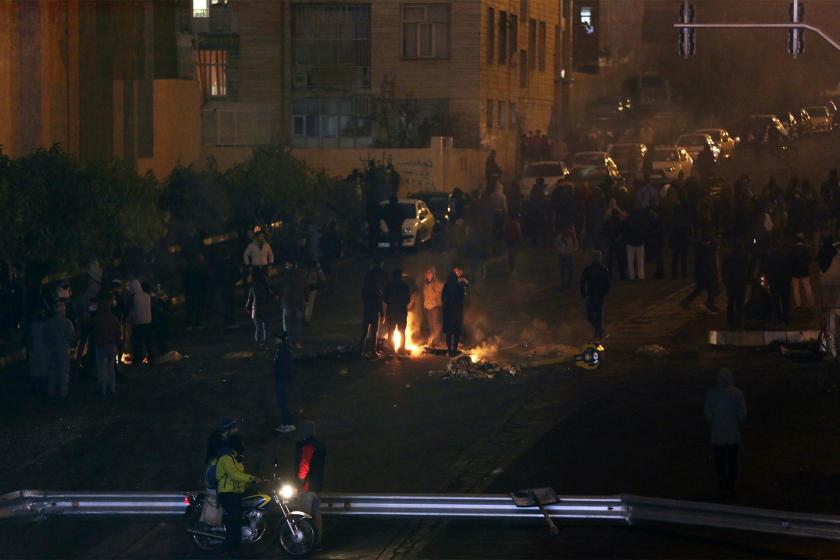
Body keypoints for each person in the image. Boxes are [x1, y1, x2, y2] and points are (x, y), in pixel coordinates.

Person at [216, 433, 262, 555]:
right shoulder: (226, 458)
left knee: (256, 497)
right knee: (234, 521)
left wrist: (258, 480)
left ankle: (249, 527)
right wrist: (252, 478)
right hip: (227, 494)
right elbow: (234, 475)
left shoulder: (236, 458)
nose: (243, 445)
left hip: (236, 492)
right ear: (234, 444)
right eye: (241, 443)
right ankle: (230, 549)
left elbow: (240, 478)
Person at [704, 368, 746, 499]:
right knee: (732, 462)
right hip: (733, 434)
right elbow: (742, 413)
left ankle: (722, 486)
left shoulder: (711, 394)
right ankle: (730, 486)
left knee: (720, 462)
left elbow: (708, 414)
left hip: (717, 435)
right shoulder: (737, 394)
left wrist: (712, 426)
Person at [295, 421, 326, 545]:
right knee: (316, 514)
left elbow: (304, 465)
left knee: (304, 515)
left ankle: (307, 542)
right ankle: (317, 541)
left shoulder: (307, 445)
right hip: (317, 486)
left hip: (307, 487)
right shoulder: (321, 445)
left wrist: (299, 481)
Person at [90, 293, 122, 396]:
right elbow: (118, 332)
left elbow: (92, 331)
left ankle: (103, 389)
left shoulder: (97, 319)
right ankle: (112, 388)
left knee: (101, 368)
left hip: (100, 345)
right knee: (110, 367)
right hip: (111, 345)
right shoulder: (113, 319)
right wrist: (117, 342)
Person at [681, 232, 721, 314]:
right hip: (706, 272)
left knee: (701, 289)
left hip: (706, 272)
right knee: (713, 289)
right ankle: (709, 304)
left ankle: (686, 302)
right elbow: (707, 261)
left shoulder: (705, 247)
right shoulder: (704, 248)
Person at [44, 301, 75, 398]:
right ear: (62, 311)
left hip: (52, 349)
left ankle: (51, 391)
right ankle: (63, 392)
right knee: (63, 371)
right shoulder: (67, 322)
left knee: (52, 371)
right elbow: (71, 336)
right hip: (63, 349)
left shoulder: (49, 322)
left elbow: (45, 336)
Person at [580, 251, 611, 339]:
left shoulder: (588, 269)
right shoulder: (603, 269)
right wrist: (605, 292)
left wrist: (584, 295)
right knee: (598, 315)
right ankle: (599, 331)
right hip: (598, 295)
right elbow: (608, 284)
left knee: (591, 316)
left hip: (591, 295)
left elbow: (582, 283)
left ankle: (598, 332)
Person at [383, 269, 411, 353]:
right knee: (402, 331)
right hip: (402, 312)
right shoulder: (404, 286)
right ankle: (401, 349)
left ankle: (391, 349)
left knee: (391, 331)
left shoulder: (388, 286)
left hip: (391, 311)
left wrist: (391, 303)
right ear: (400, 276)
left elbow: (384, 298)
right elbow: (408, 299)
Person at [722, 244, 749, 328]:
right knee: (739, 303)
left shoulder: (728, 258)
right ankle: (738, 320)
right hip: (740, 283)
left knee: (730, 303)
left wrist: (725, 279)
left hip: (731, 283)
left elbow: (724, 270)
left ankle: (730, 321)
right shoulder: (744, 258)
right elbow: (747, 270)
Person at [273, 330, 296, 433]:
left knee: (283, 403)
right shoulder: (284, 348)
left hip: (283, 380)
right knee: (282, 402)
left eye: (276, 337)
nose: (275, 339)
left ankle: (289, 424)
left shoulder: (283, 350)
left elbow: (285, 367)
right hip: (282, 379)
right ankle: (286, 423)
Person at [129, 281, 155, 365]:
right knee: (148, 341)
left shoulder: (134, 297)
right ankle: (152, 358)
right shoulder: (147, 295)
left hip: (138, 322)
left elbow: (129, 309)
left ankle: (138, 358)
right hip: (148, 321)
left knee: (137, 342)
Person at [442, 267, 467, 356]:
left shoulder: (446, 285)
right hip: (457, 313)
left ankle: (449, 349)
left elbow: (443, 298)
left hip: (448, 313)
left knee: (448, 333)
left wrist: (447, 305)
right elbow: (462, 298)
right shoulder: (459, 286)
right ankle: (455, 350)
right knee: (456, 332)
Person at [246, 267, 272, 351]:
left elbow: (250, 299)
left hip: (256, 310)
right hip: (265, 309)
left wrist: (248, 307)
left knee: (258, 328)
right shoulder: (265, 286)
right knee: (265, 328)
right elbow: (269, 297)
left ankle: (258, 344)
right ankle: (265, 344)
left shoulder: (253, 286)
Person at [360, 271, 383, 357]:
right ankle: (373, 351)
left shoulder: (364, 289)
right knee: (374, 333)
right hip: (374, 313)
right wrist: (382, 314)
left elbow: (363, 299)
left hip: (366, 312)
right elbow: (379, 303)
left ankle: (361, 351)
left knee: (364, 332)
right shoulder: (377, 289)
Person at [790, 233, 814, 309]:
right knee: (808, 288)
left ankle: (798, 304)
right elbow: (809, 260)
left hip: (795, 273)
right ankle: (811, 303)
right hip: (804, 272)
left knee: (796, 289)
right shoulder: (805, 249)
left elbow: (790, 261)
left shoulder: (792, 250)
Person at [422, 268, 444, 347]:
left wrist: (438, 299)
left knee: (436, 325)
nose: (428, 275)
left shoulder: (436, 283)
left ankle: (437, 342)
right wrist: (424, 304)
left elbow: (444, 290)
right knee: (431, 325)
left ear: (433, 275)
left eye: (430, 273)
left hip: (435, 307)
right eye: (427, 273)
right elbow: (425, 296)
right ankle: (433, 341)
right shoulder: (425, 284)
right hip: (428, 307)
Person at [624, 209, 647, 281]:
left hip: (630, 242)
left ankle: (632, 276)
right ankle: (641, 275)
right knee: (640, 260)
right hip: (639, 242)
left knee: (630, 260)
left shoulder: (628, 221)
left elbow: (625, 231)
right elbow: (644, 231)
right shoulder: (641, 221)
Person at [555, 226, 578, 290]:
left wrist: (572, 250)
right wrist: (560, 251)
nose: (568, 231)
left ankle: (570, 285)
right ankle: (563, 285)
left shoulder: (572, 237)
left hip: (569, 255)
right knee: (563, 272)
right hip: (562, 256)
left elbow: (576, 245)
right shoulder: (559, 237)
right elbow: (556, 245)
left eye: (569, 230)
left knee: (571, 271)